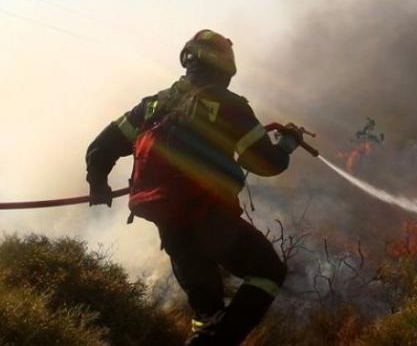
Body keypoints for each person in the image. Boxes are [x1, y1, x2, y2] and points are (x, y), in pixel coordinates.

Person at [85, 29, 302, 345]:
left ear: (188, 60)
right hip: (210, 218)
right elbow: (267, 164)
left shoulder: (153, 105)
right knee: (268, 273)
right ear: (226, 67)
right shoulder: (230, 106)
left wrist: (98, 184)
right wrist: (286, 145)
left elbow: (100, 148)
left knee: (207, 315)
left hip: (170, 225)